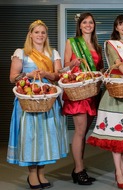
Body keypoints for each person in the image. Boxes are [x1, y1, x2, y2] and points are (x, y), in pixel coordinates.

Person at [7, 20, 68, 189]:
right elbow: (13, 78)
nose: (40, 35)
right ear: (30, 35)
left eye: (43, 32)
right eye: (37, 32)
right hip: (28, 101)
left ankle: (42, 172)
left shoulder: (52, 53)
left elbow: (57, 77)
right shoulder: (22, 53)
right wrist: (28, 74)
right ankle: (32, 174)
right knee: (31, 137)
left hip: (48, 100)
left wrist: (46, 73)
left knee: (45, 137)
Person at [86, 15, 123, 189]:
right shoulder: (110, 44)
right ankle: (118, 172)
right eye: (121, 24)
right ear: (116, 28)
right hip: (115, 90)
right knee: (116, 134)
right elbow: (116, 62)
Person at [62, 12, 104, 185]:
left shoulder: (97, 45)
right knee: (79, 131)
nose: (88, 25)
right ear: (79, 25)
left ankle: (78, 168)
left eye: (91, 22)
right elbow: (65, 68)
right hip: (78, 92)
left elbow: (99, 69)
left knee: (84, 132)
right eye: (85, 22)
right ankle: (79, 170)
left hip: (92, 92)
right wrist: (73, 64)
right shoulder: (71, 42)